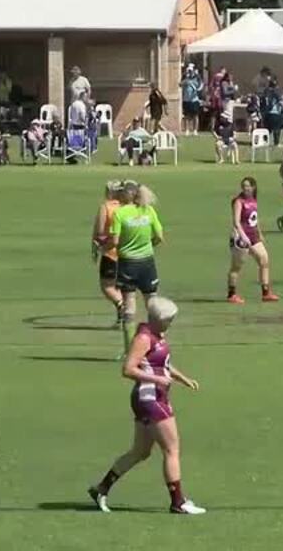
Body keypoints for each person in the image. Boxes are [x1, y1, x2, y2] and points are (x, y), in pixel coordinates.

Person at [88, 296, 205, 515]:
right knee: (172, 450)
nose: (171, 323)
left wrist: (184, 379)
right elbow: (128, 369)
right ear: (157, 319)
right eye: (169, 319)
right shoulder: (143, 338)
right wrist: (158, 380)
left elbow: (163, 365)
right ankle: (178, 502)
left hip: (151, 398)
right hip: (150, 398)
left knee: (140, 452)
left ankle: (101, 489)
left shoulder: (158, 335)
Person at [109, 182, 164, 353]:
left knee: (129, 306)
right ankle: (157, 344)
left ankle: (129, 350)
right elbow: (160, 237)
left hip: (127, 263)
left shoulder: (120, 213)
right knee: (152, 304)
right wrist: (147, 246)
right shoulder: (148, 210)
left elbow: (115, 241)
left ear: (126, 195)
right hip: (147, 262)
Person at [227, 177, 279, 304]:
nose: (245, 188)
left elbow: (255, 218)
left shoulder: (253, 199)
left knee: (264, 259)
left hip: (253, 236)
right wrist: (243, 236)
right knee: (237, 267)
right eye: (243, 186)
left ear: (253, 187)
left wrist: (260, 233)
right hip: (240, 237)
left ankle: (266, 292)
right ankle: (231, 294)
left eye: (248, 186)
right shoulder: (239, 201)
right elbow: (236, 221)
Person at [92, 181, 127, 326]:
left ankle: (122, 307)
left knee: (107, 286)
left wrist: (96, 247)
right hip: (128, 251)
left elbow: (100, 231)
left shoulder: (106, 207)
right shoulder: (127, 207)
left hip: (110, 252)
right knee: (123, 286)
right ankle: (124, 315)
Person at [179, 65, 203, 136]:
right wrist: (185, 81)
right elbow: (180, 84)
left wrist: (198, 89)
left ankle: (195, 130)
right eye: (188, 70)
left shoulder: (197, 77)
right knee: (187, 115)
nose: (189, 71)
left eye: (190, 70)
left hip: (194, 99)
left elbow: (201, 85)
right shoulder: (185, 77)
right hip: (186, 99)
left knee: (195, 115)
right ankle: (187, 130)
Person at [261, 80, 283, 146]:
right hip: (275, 113)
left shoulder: (265, 92)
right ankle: (276, 143)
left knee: (267, 129)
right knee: (277, 129)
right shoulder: (276, 92)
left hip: (267, 113)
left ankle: (264, 141)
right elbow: (280, 102)